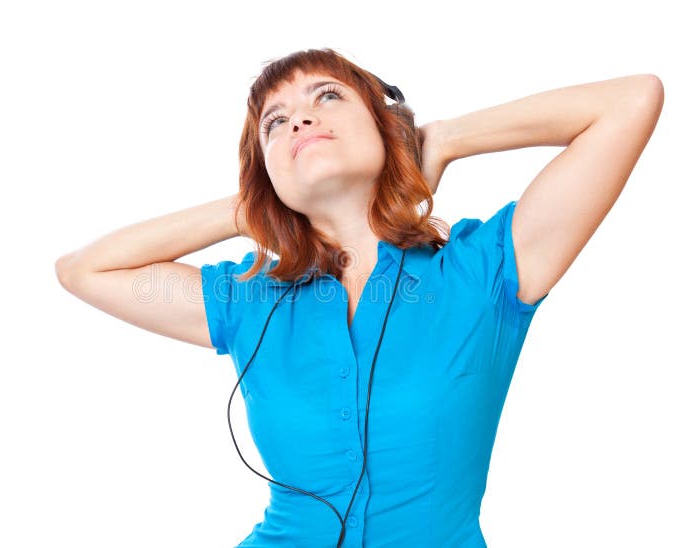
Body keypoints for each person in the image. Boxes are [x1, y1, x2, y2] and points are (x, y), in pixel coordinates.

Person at [55, 48, 663, 547]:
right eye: (275, 122)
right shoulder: (248, 298)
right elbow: (85, 271)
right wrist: (247, 211)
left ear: (384, 124)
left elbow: (632, 101)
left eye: (327, 96)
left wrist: (441, 138)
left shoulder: (484, 271)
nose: (298, 120)